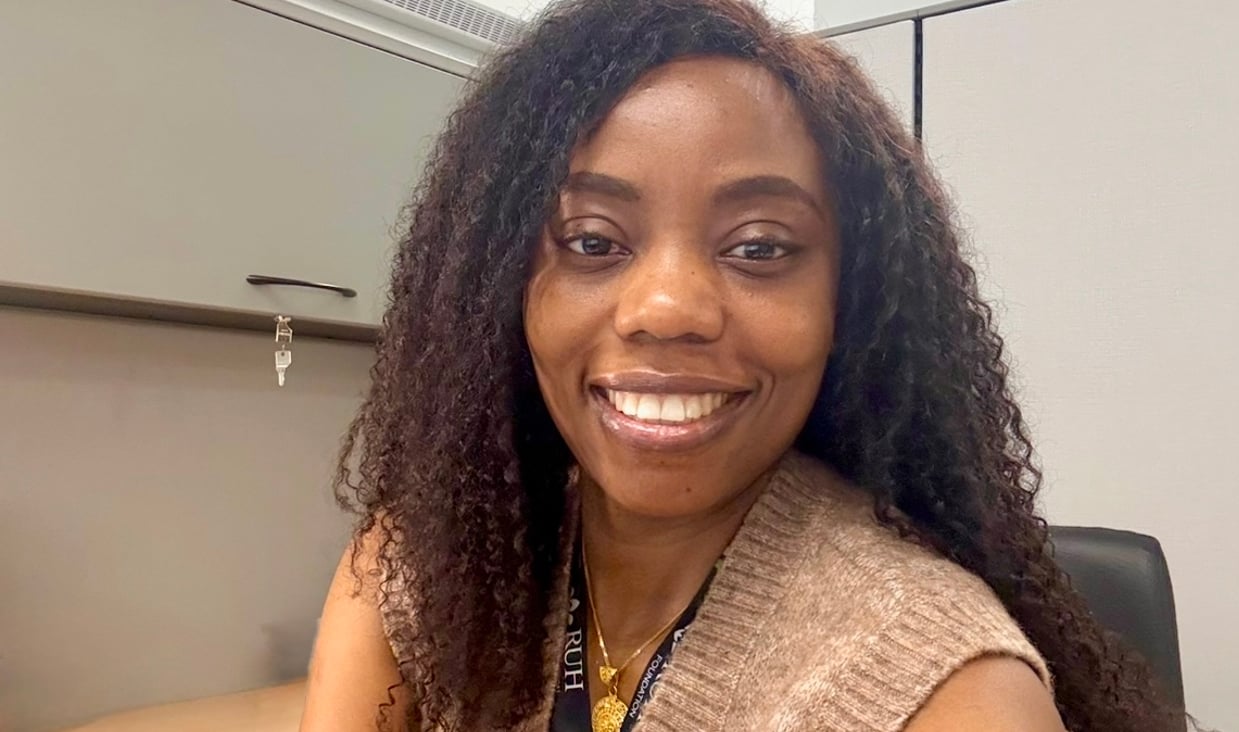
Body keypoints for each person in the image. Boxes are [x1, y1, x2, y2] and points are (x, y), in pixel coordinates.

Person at [300, 0, 1183, 730]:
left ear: (850, 307)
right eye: (592, 241)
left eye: (760, 247)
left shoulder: (951, 692)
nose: (667, 310)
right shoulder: (417, 569)